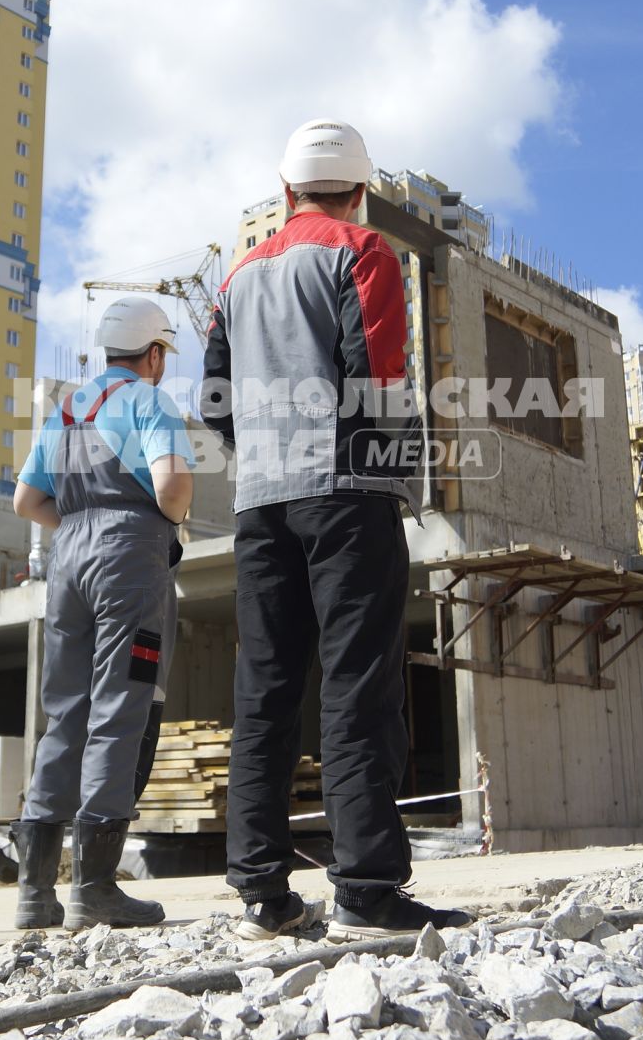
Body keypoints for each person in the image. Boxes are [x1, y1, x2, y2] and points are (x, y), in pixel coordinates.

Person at [202, 119, 472, 941]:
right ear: (361, 192)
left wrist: (265, 458)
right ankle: (366, 892)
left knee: (266, 690)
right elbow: (377, 375)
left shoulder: (237, 276)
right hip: (344, 492)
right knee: (359, 684)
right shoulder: (364, 251)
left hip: (260, 503)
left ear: (285, 192)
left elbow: (213, 402)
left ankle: (262, 897)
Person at [9, 297, 194, 929]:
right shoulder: (149, 401)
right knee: (120, 707)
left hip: (67, 560)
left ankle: (34, 894)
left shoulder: (66, 409)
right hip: (128, 558)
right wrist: (156, 525)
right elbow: (171, 486)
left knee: (65, 713)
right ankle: (95, 888)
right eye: (163, 353)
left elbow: (27, 500)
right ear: (152, 353)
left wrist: (81, 529)